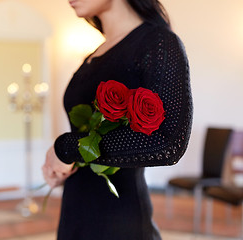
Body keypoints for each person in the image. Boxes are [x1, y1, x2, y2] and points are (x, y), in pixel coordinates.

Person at [42, 0, 193, 239]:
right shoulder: (93, 55)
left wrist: (65, 148)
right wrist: (63, 166)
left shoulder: (158, 43)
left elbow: (168, 143)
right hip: (74, 217)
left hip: (120, 222)